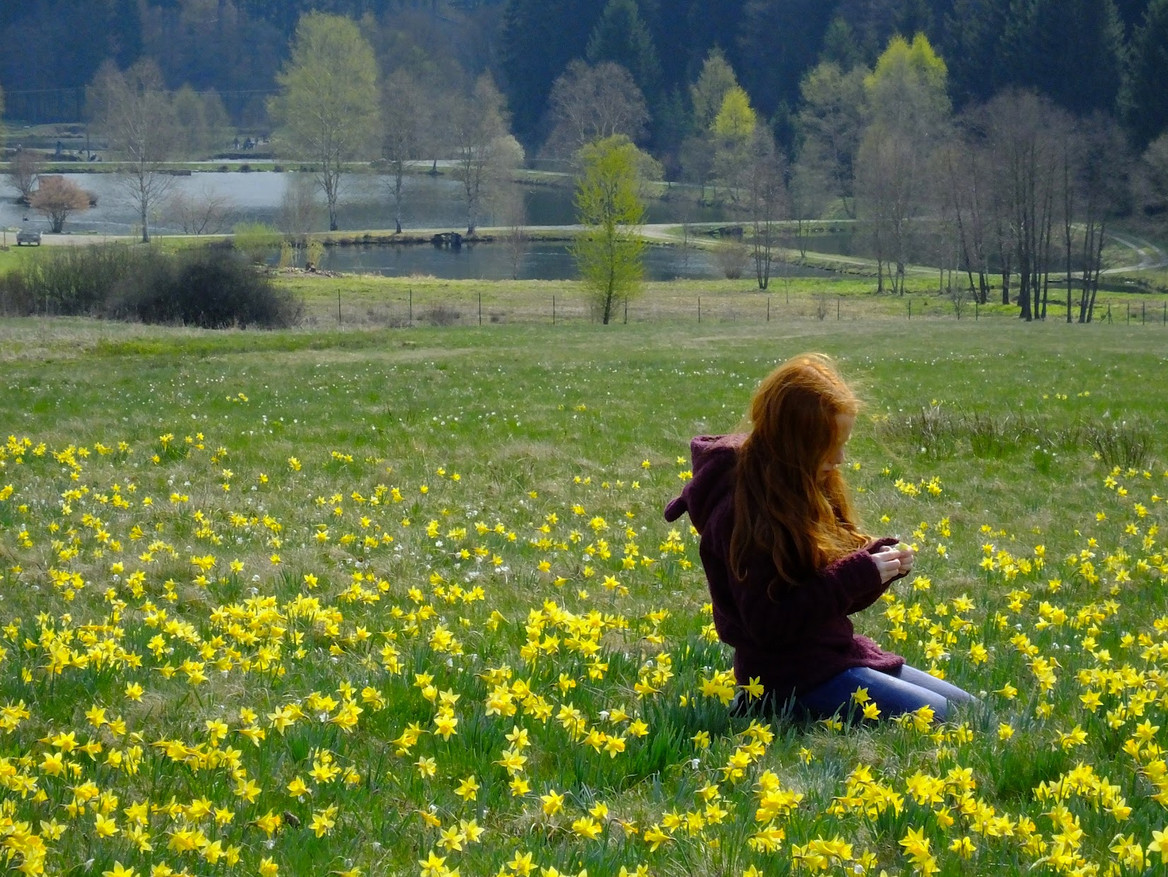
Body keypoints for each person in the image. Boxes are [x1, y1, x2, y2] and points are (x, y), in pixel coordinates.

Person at [664, 353, 973, 722]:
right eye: (828, 446)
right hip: (786, 680)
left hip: (830, 657)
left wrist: (879, 569)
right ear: (794, 441)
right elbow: (769, 625)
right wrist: (859, 572)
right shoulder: (740, 506)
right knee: (942, 717)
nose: (840, 458)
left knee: (972, 712)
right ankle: (768, 712)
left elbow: (829, 599)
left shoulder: (809, 480)